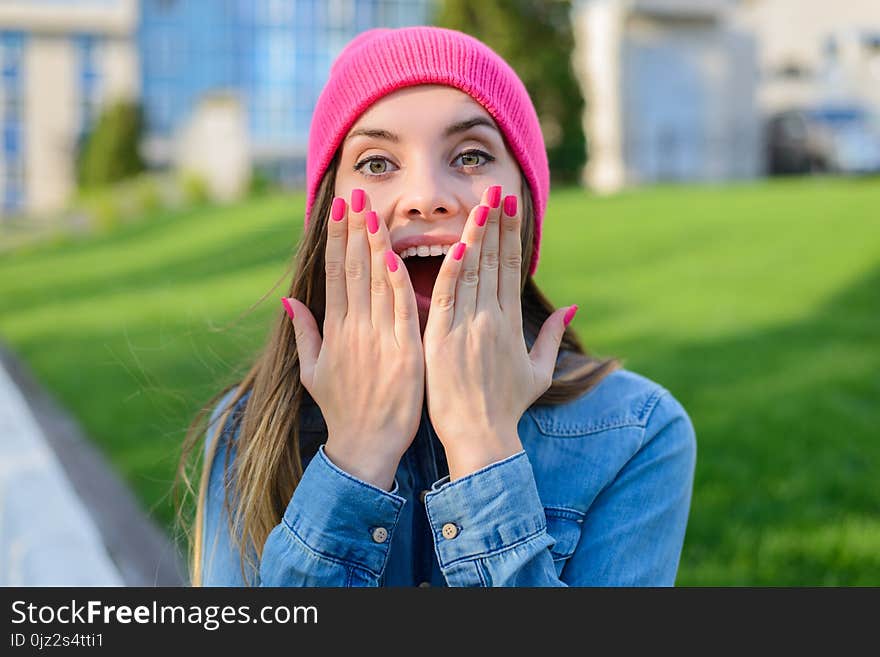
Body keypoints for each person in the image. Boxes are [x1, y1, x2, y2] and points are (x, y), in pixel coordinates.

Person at [176, 26, 697, 587]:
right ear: (330, 210)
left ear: (524, 197)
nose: (427, 197)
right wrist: (354, 461)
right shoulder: (248, 430)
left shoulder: (637, 432)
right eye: (376, 163)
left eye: (471, 155)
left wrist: (482, 446)